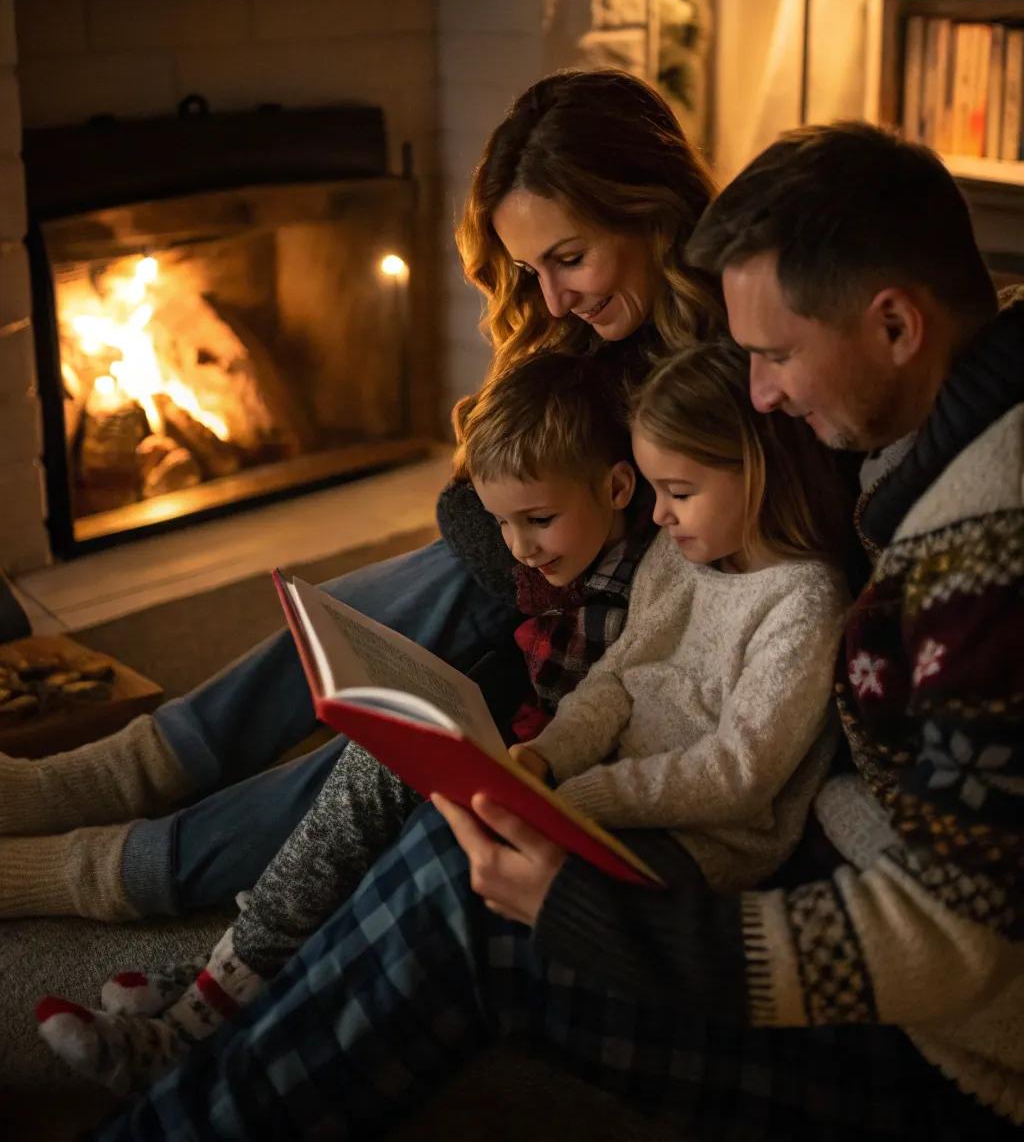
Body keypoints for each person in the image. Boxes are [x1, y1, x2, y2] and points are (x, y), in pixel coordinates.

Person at [86, 122, 1023, 1141]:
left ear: (895, 325)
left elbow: (961, 943)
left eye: (777, 355)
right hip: (830, 859)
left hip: (949, 1057)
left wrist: (601, 918)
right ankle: (222, 998)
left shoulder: (985, 559)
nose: (759, 396)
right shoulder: (941, 421)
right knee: (465, 804)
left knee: (477, 893)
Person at [0, 70, 722, 924]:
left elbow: (695, 572)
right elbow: (470, 505)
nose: (553, 296)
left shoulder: (728, 354)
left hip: (627, 643)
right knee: (396, 603)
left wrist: (539, 532)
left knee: (390, 747)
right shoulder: (586, 331)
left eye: (569, 257)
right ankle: (110, 778)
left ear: (652, 208)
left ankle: (106, 870)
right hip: (540, 594)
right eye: (532, 268)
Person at [38, 337, 849, 1092]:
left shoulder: (804, 600)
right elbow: (613, 684)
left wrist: (573, 797)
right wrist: (546, 761)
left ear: (759, 472)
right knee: (384, 763)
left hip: (684, 847)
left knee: (439, 834)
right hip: (592, 795)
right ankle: (228, 980)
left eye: (677, 493)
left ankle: (207, 1028)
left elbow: (736, 778)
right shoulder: (682, 560)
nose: (662, 518)